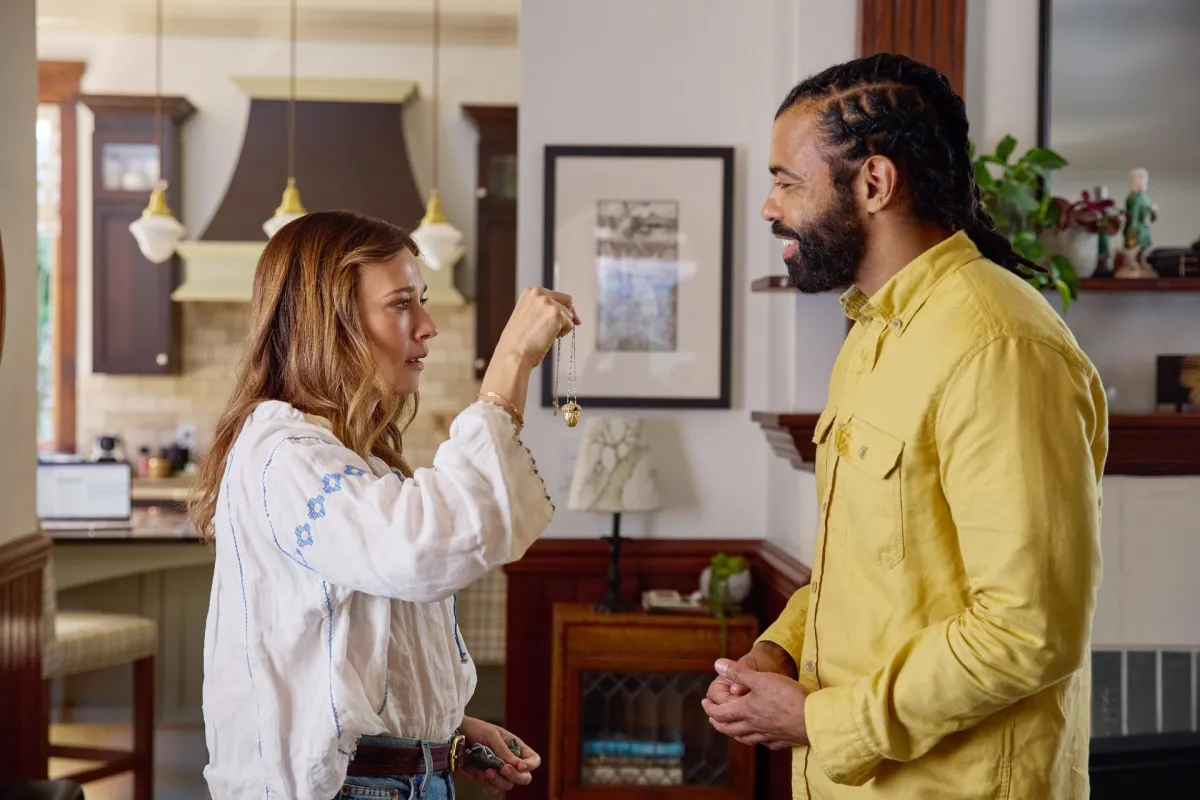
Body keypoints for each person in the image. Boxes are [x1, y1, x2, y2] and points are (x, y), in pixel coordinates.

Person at [702, 54, 1106, 799]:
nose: (768, 207)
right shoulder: (873, 333)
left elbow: (1028, 630)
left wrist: (822, 721)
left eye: (788, 181)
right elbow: (874, 569)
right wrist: (779, 649)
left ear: (874, 184)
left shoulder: (1000, 345)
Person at [190, 209, 579, 800]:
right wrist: (512, 363)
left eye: (421, 301)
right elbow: (422, 550)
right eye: (401, 304)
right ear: (332, 324)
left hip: (398, 779)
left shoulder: (350, 456)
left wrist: (443, 735)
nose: (427, 326)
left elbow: (360, 641)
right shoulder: (286, 455)